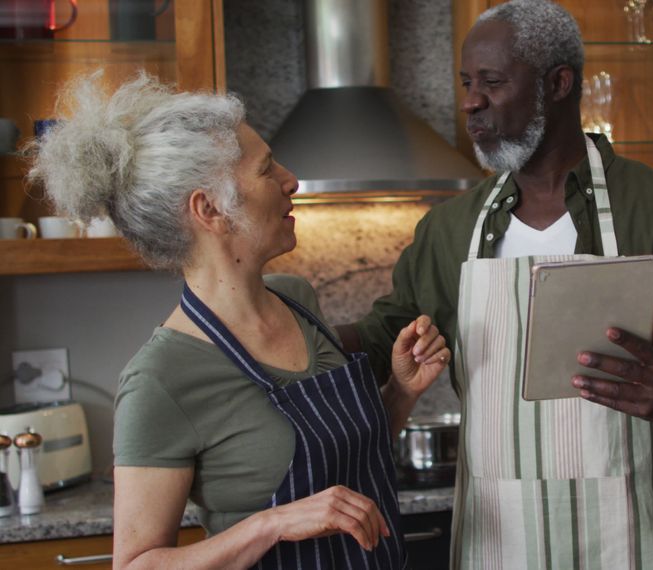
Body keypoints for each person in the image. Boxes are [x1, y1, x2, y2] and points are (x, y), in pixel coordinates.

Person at [339, 1, 653, 567]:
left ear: (557, 83)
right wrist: (275, 326)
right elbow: (382, 337)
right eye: (467, 82)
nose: (471, 101)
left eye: (492, 81)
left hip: (634, 545)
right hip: (499, 546)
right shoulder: (449, 229)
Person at [28, 72, 451, 569]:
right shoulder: (160, 380)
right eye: (268, 169)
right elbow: (136, 564)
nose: (291, 180)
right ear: (208, 209)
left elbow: (349, 470)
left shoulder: (297, 301)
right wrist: (272, 523)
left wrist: (401, 393)